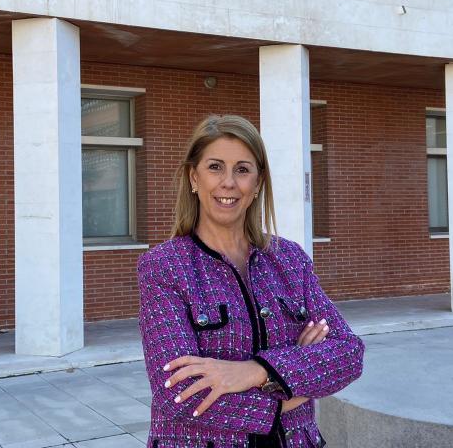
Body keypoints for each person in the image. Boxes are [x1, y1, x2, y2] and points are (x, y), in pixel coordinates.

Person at [137, 115, 364, 448]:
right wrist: (295, 385)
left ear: (257, 183)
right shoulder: (164, 267)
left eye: (242, 170)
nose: (228, 182)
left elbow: (348, 353)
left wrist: (256, 371)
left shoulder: (290, 259)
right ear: (193, 178)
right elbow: (180, 394)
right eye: (215, 167)